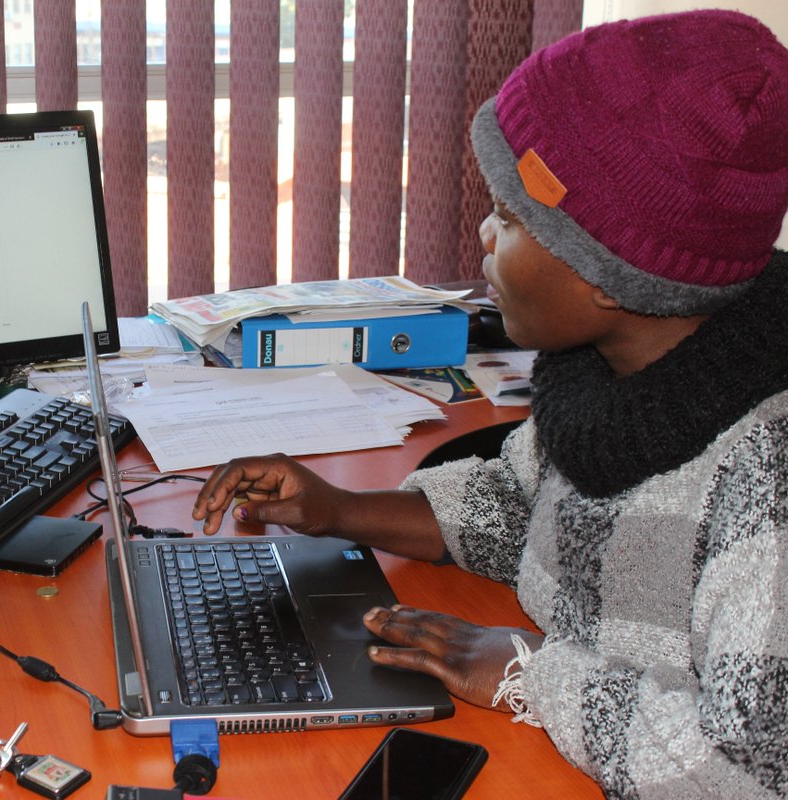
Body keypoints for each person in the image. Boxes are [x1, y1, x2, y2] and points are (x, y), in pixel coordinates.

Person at [192, 9, 788, 798]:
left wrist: (530, 675)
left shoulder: (765, 484)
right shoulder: (604, 370)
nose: (482, 232)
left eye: (510, 218)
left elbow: (748, 765)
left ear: (607, 271)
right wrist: (335, 508)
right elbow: (518, 507)